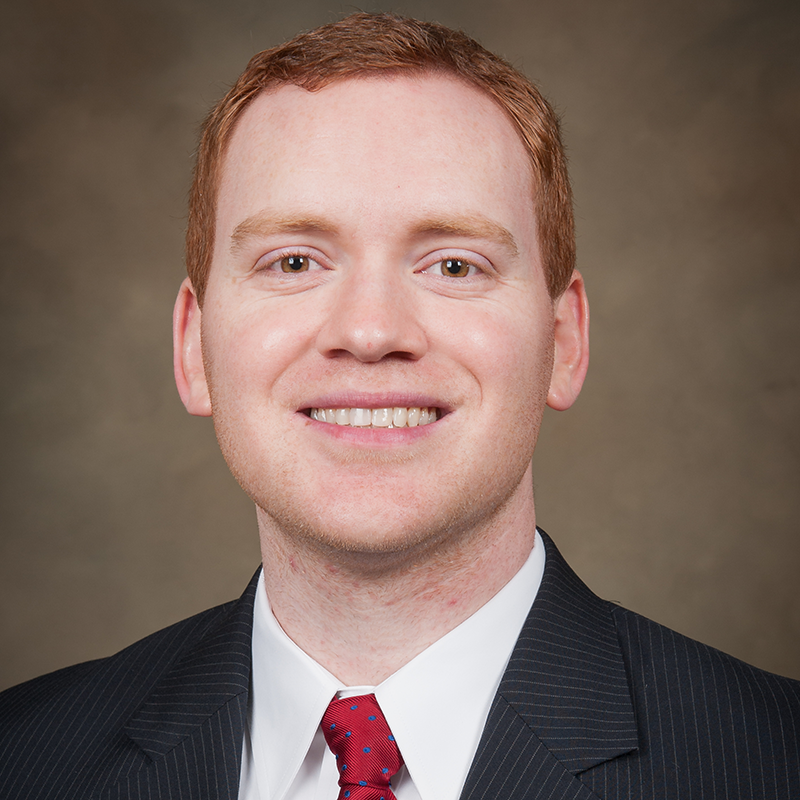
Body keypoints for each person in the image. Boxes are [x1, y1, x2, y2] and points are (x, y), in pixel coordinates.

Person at [0, 12, 798, 800]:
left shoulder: (773, 763)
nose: (371, 331)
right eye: (294, 261)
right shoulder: (24, 760)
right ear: (191, 348)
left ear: (563, 342)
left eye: (453, 265)